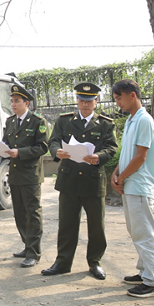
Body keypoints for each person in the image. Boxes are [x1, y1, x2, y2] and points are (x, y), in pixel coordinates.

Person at [42, 82, 118, 280]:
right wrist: (56, 152)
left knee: (96, 225)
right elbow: (53, 140)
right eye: (82, 100)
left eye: (89, 101)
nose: (85, 104)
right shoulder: (65, 121)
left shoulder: (105, 123)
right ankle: (63, 262)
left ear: (96, 101)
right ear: (77, 100)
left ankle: (95, 262)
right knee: (67, 223)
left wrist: (99, 156)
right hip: (69, 178)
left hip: (93, 179)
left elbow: (111, 147)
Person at [110, 79, 154, 298]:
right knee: (136, 230)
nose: (118, 103)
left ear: (133, 95)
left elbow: (141, 157)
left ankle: (153, 282)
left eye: (119, 98)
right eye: (115, 99)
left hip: (140, 185)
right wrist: (116, 172)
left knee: (144, 232)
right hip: (130, 184)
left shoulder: (143, 120)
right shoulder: (131, 120)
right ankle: (144, 272)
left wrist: (121, 178)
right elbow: (128, 154)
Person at [2, 84, 49, 267]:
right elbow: (6, 141)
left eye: (17, 101)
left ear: (26, 103)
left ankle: (34, 252)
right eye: (12, 101)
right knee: (19, 213)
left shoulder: (38, 121)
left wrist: (19, 152)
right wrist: (3, 148)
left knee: (33, 213)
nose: (13, 104)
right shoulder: (11, 121)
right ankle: (27, 244)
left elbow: (42, 147)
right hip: (15, 174)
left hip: (30, 175)